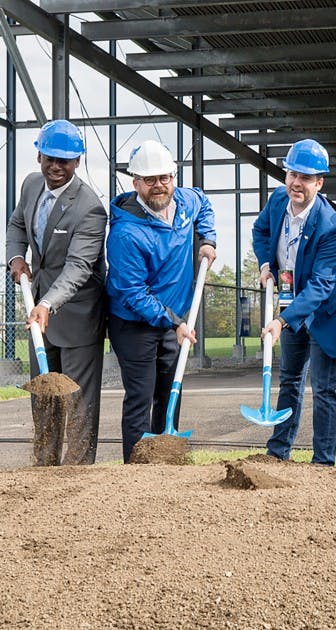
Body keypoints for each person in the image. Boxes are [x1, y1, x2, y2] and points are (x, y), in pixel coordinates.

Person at [105, 140, 217, 462]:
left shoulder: (185, 202)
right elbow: (134, 293)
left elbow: (205, 206)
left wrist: (207, 239)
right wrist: (175, 322)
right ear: (135, 182)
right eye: (150, 180)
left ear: (173, 176)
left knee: (171, 393)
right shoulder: (125, 234)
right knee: (141, 394)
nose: (159, 186)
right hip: (133, 322)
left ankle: (167, 461)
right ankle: (137, 467)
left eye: (165, 177)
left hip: (174, 320)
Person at [251, 139, 336, 466]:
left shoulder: (330, 226)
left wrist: (281, 321)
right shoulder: (277, 202)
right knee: (290, 380)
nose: (297, 183)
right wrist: (264, 265)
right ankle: (277, 452)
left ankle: (324, 462)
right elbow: (260, 232)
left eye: (306, 177)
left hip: (325, 311)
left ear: (319, 183)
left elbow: (321, 286)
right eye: (292, 174)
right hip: (291, 303)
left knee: (324, 388)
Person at [5, 119, 107, 466]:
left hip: (77, 312)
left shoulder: (90, 208)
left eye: (64, 160)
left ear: (77, 161)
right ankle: (44, 466)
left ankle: (76, 472)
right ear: (39, 156)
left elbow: (79, 267)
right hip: (40, 308)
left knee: (77, 397)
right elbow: (18, 224)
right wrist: (17, 257)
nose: (55, 166)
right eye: (50, 157)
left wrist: (47, 303)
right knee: (44, 392)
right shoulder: (31, 185)